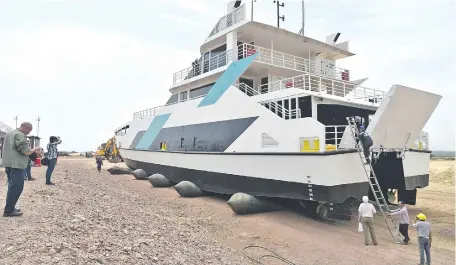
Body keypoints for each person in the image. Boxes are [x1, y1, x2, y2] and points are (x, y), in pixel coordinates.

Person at [1, 122, 41, 217]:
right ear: (25, 128)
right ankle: (9, 210)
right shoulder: (20, 135)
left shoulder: (10, 134)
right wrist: (36, 149)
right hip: (17, 165)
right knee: (16, 188)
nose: (28, 133)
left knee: (11, 187)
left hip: (9, 164)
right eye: (28, 131)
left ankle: (11, 207)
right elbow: (26, 151)